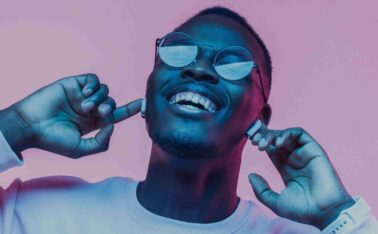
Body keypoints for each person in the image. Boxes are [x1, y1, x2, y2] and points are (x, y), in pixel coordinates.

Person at [0, 6, 376, 234]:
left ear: (260, 115)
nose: (197, 69)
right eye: (178, 52)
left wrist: (337, 214)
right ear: (150, 90)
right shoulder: (32, 212)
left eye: (232, 64)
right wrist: (15, 126)